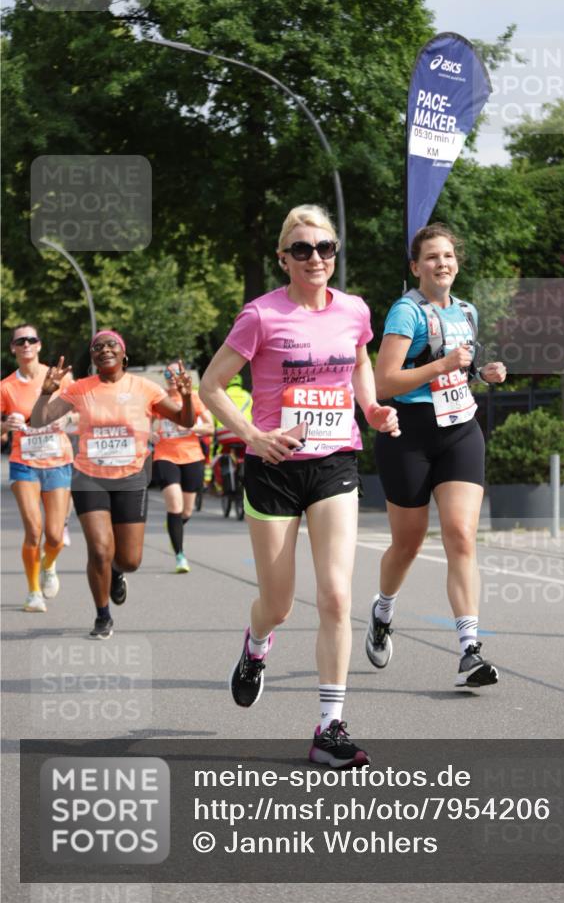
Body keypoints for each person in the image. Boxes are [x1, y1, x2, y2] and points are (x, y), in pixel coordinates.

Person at [200, 204, 399, 768]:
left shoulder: (355, 310)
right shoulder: (261, 316)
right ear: (284, 258)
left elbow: (358, 360)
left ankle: (329, 727)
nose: (317, 258)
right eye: (305, 249)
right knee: (280, 603)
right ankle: (255, 645)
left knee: (337, 595)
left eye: (326, 248)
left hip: (335, 462)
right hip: (274, 469)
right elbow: (211, 385)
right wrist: (252, 437)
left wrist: (372, 408)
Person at [367, 223, 506, 687]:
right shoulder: (405, 312)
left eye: (447, 256)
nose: (441, 263)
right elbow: (384, 381)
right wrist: (442, 366)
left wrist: (483, 373)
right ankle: (383, 609)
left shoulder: (467, 311)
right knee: (407, 542)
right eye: (431, 257)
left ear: (457, 262)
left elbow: (459, 373)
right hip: (408, 434)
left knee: (461, 535)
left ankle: (470, 648)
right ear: (415, 266)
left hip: (460, 429)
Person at [30, 330, 195, 639]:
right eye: (97, 347)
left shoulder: (145, 388)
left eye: (111, 345)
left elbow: (185, 421)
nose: (104, 349)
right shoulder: (79, 389)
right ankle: (102, 614)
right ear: (93, 357)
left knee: (130, 560)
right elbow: (38, 420)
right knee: (100, 549)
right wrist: (45, 392)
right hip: (89, 478)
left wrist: (186, 397)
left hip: (131, 478)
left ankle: (118, 574)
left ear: (123, 353)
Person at [1, 324, 73, 612]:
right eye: (21, 341)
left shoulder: (57, 377)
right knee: (34, 529)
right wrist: (5, 425)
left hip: (57, 460)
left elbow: (77, 412)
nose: (26, 344)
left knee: (55, 535)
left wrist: (64, 421)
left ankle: (49, 564)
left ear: (39, 345)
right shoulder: (6, 387)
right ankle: (33, 593)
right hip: (24, 463)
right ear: (13, 348)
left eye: (32, 339)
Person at [152, 362, 214, 572]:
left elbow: (211, 427)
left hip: (191, 455)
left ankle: (174, 524)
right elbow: (143, 422)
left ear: (183, 376)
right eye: (167, 374)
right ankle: (180, 556)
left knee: (186, 510)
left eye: (175, 374)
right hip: (165, 455)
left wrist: (192, 426)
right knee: (175, 505)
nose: (171, 377)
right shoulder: (160, 399)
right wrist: (148, 434)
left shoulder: (193, 397)